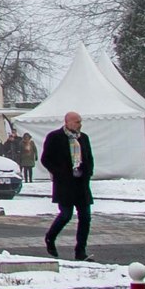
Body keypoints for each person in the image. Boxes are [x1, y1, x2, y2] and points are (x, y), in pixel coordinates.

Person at [42, 110, 95, 260]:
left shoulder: (83, 138)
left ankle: (80, 251)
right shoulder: (55, 137)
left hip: (81, 184)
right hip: (65, 184)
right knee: (65, 214)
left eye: (80, 121)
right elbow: (46, 159)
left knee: (85, 217)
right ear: (68, 122)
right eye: (77, 121)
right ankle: (50, 237)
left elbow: (89, 158)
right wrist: (59, 173)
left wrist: (88, 173)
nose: (80, 124)